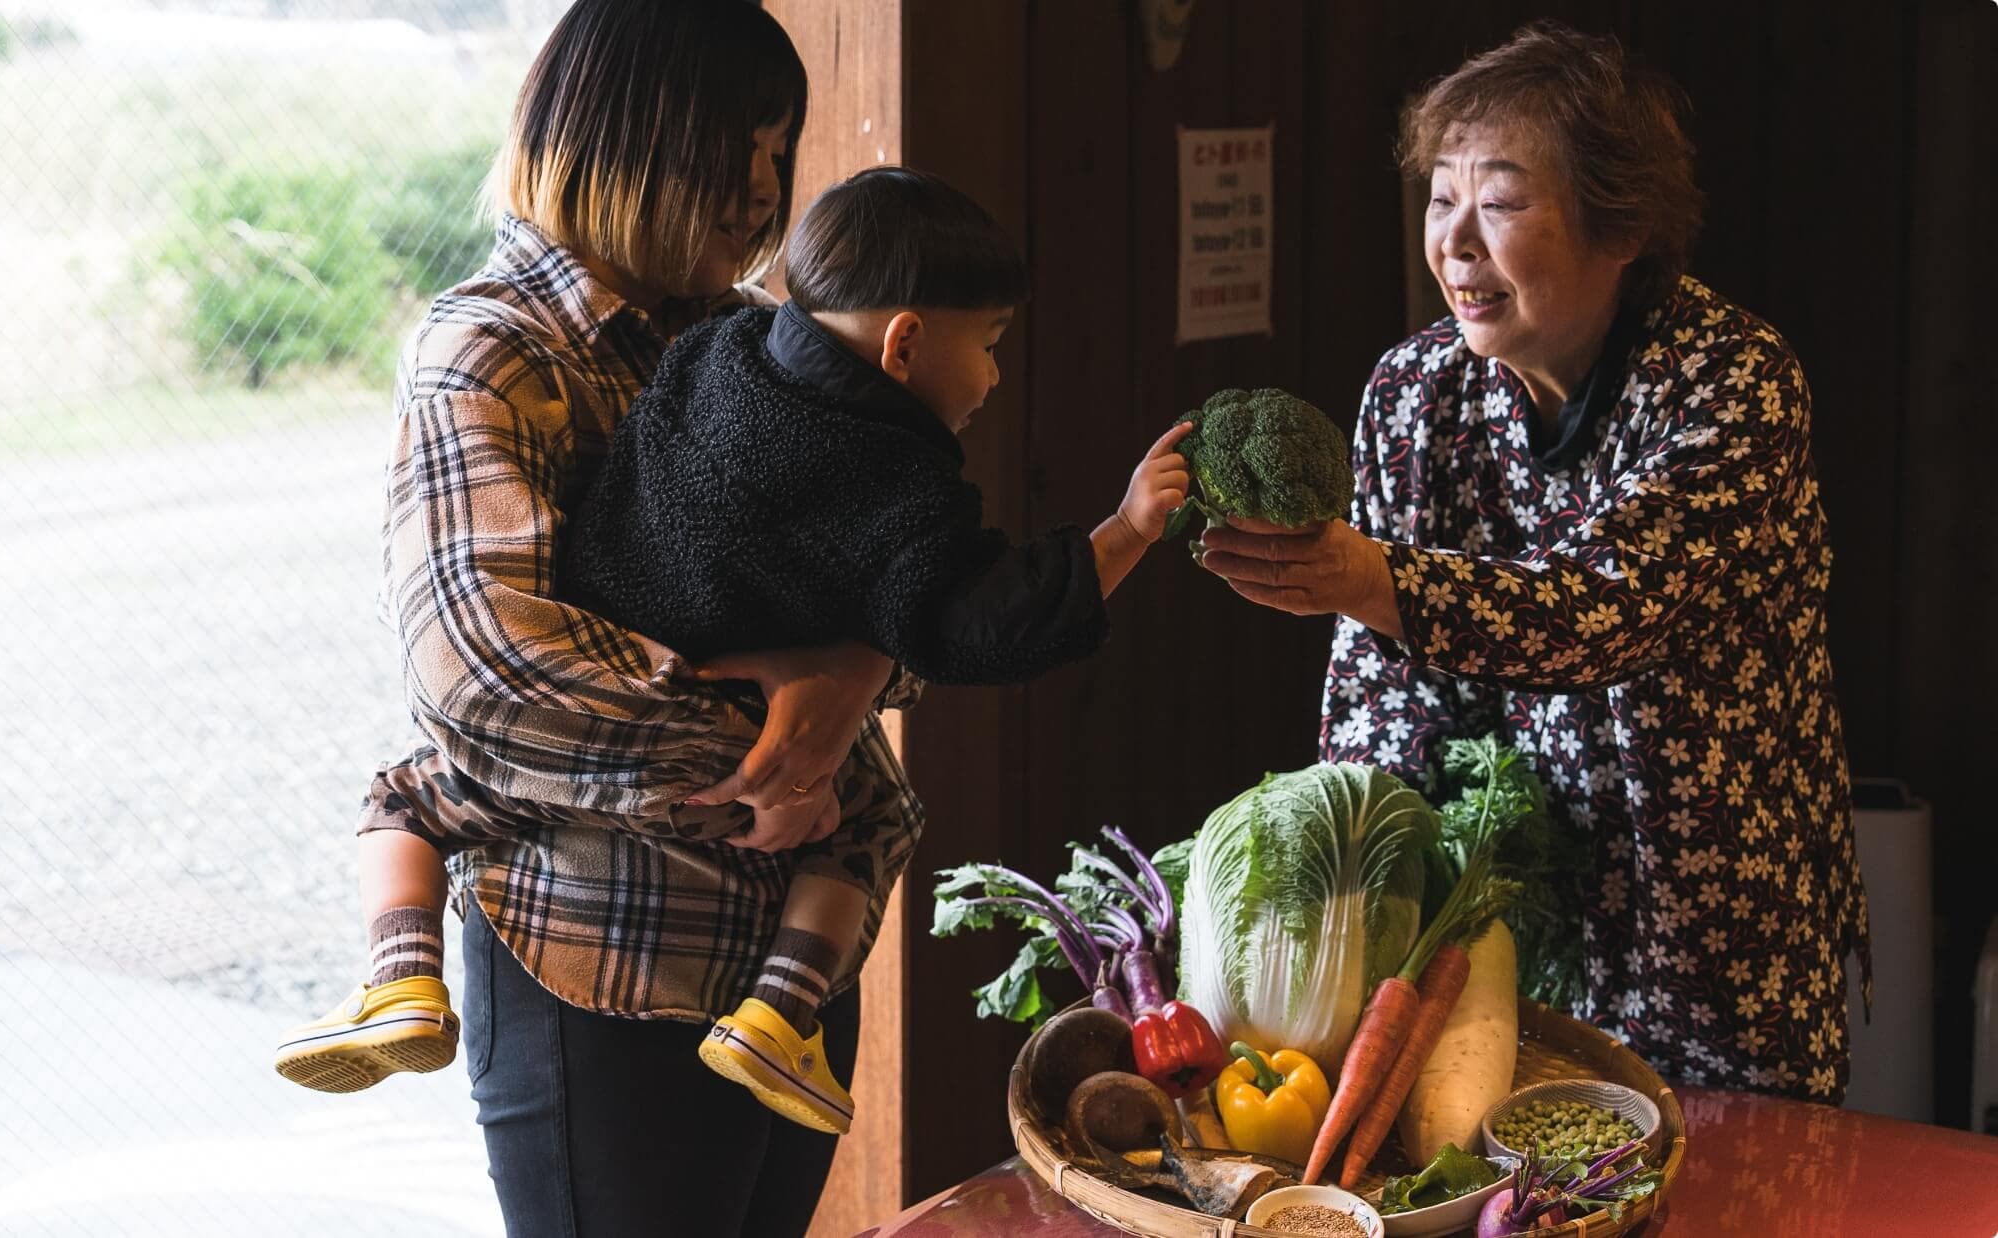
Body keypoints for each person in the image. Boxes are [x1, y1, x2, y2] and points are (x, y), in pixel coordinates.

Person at [278, 164, 1190, 1136]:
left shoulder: (717, 343)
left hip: (618, 650)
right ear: (906, 342)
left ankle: (401, 977)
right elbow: (975, 616)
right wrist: (1126, 528)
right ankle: (779, 1015)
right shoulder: (896, 483)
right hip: (736, 737)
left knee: (410, 793)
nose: (995, 377)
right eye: (991, 345)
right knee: (876, 815)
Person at [1195, 21, 1870, 1103]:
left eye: (1500, 203)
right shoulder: (1414, 392)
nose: (1455, 243)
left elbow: (1605, 607)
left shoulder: (1732, 383)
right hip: (1504, 929)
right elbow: (1379, 699)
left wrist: (1374, 579)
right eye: (1440, 199)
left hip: (1712, 933)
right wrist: (1355, 910)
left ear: (1622, 226)